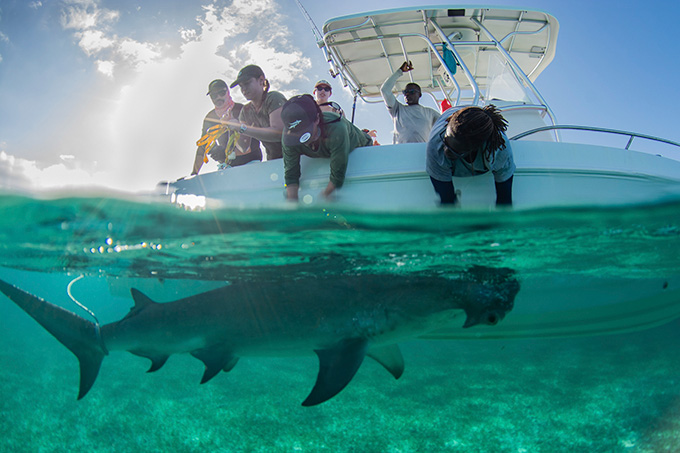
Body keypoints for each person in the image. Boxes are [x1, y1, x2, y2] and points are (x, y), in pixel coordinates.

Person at [281, 94, 373, 200]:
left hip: (361, 144)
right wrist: (292, 202)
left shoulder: (337, 128)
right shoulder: (288, 137)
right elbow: (291, 174)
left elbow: (337, 176)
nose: (305, 142)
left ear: (317, 119)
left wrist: (323, 197)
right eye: (297, 135)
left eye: (306, 133)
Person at [426, 105, 515, 206]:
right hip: (458, 119)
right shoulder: (436, 145)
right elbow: (447, 201)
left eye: (454, 150)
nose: (446, 151)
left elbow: (505, 198)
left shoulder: (498, 149)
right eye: (446, 141)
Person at [191, 79, 262, 175]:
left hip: (251, 161)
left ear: (228, 92)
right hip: (227, 166)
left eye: (221, 92)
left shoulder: (242, 109)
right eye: (214, 95)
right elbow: (203, 146)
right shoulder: (210, 118)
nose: (218, 97)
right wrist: (194, 173)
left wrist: (227, 153)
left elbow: (255, 140)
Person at [218, 65, 286, 161]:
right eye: (241, 86)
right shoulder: (245, 111)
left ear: (261, 80)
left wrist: (241, 128)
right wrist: (233, 126)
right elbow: (244, 147)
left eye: (247, 83)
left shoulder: (274, 98)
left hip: (298, 156)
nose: (243, 89)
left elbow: (278, 133)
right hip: (274, 160)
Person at [380, 61, 440, 144]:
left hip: (421, 152)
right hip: (401, 152)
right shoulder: (397, 109)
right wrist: (400, 71)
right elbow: (385, 90)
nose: (407, 94)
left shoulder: (430, 112)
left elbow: (445, 123)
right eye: (405, 92)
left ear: (419, 94)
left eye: (411, 91)